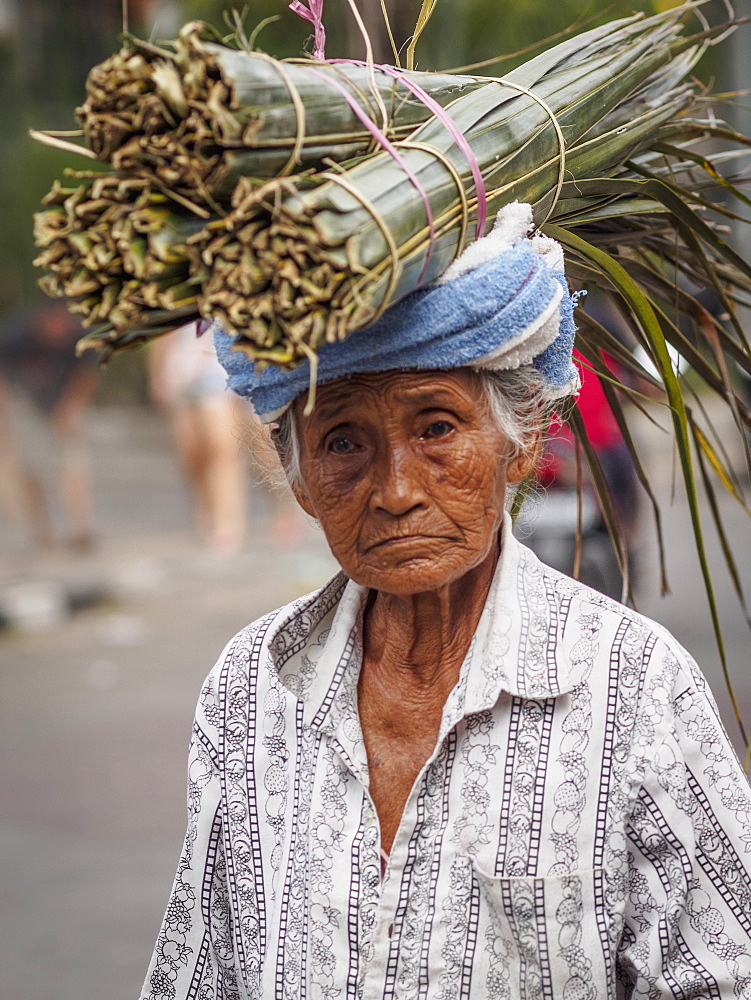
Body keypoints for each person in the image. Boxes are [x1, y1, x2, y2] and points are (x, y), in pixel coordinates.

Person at [140, 204, 751, 999]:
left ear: (521, 441)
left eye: (436, 427)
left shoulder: (632, 686)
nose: (395, 491)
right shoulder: (248, 687)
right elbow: (199, 975)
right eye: (344, 442)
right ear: (298, 479)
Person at [0, 299, 99, 550]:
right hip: (24, 400)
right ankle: (42, 534)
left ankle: (81, 528)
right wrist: (5, 419)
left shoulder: (81, 338)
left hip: (63, 398)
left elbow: (86, 376)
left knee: (73, 461)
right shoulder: (16, 337)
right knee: (29, 470)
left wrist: (70, 409)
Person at [149, 321, 249, 555]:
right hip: (181, 368)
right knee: (192, 452)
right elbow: (162, 328)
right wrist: (158, 372)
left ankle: (229, 522)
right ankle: (206, 510)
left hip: (219, 364)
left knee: (223, 447)